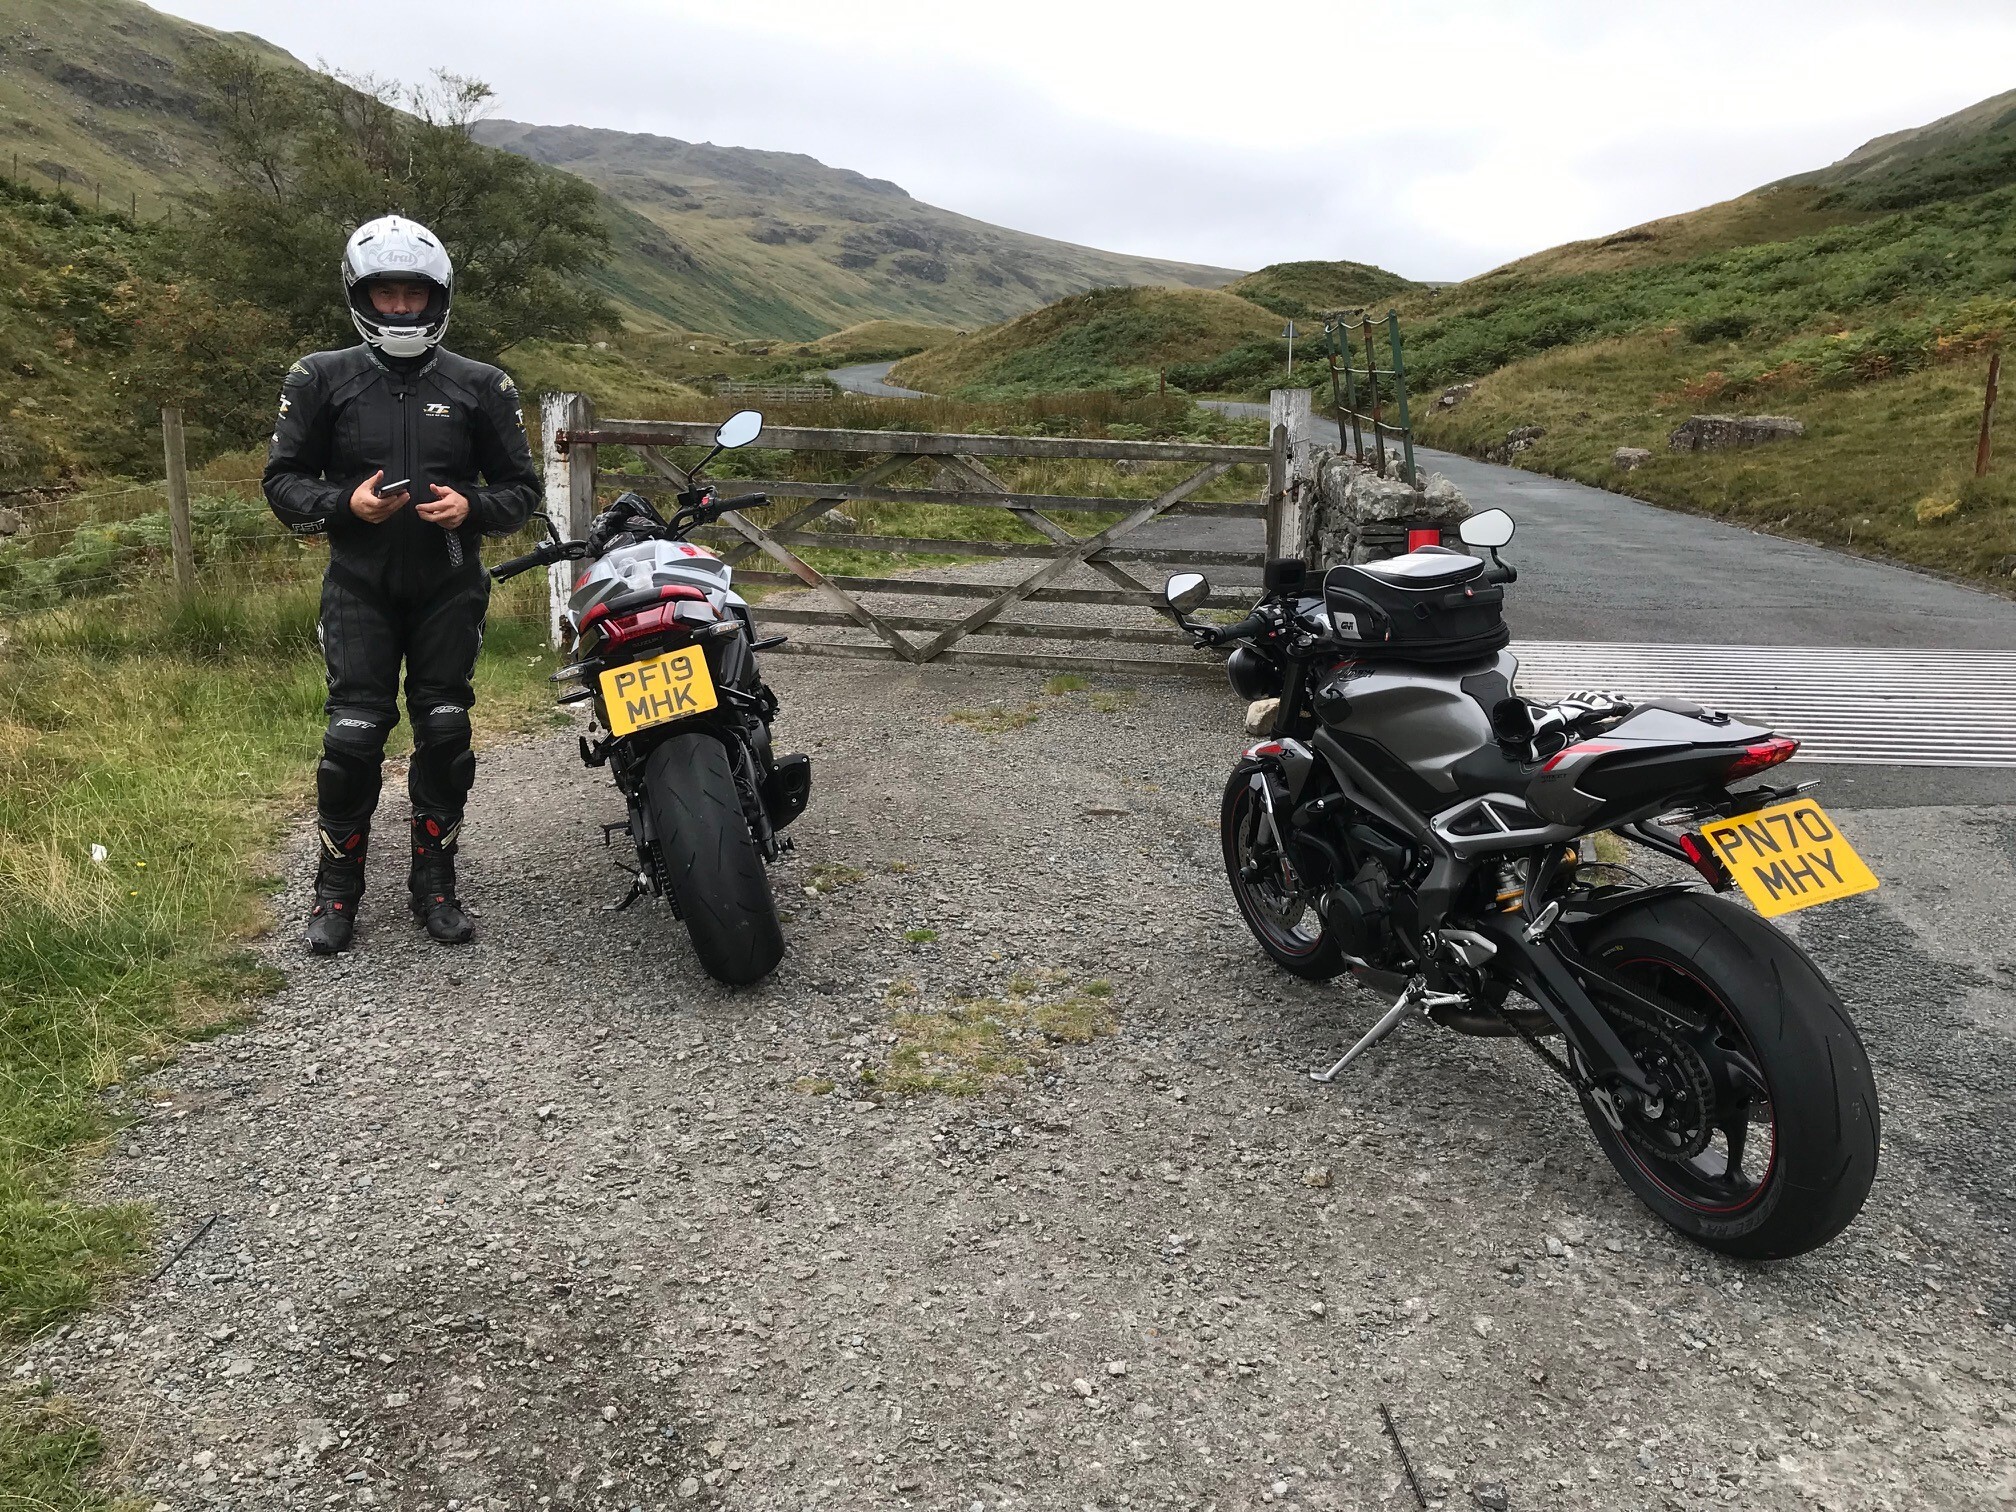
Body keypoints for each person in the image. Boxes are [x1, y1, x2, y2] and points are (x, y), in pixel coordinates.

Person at [263, 214, 542, 955]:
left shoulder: (483, 384)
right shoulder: (319, 376)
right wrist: (342, 504)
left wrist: (473, 507)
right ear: (361, 296)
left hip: (450, 583)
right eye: (385, 294)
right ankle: (335, 892)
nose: (399, 309)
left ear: (437, 297)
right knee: (351, 739)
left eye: (412, 295)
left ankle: (435, 881)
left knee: (446, 731)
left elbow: (521, 490)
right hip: (359, 585)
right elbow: (281, 482)